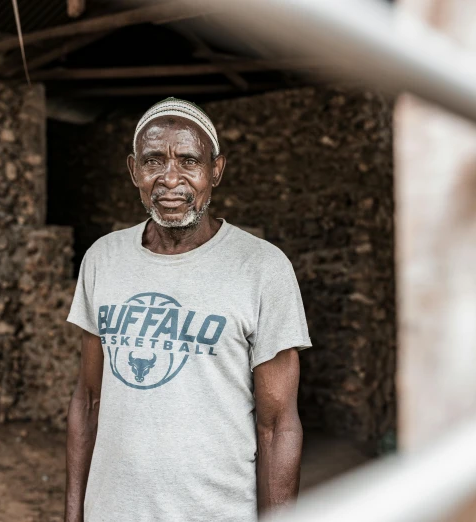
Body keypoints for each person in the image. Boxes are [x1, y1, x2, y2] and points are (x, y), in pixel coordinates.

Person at [64, 97, 312, 522]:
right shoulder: (102, 259)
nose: (170, 179)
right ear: (133, 170)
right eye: (153, 161)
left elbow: (277, 427)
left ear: (216, 170)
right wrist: (73, 514)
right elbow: (88, 400)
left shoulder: (262, 268)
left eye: (189, 161)